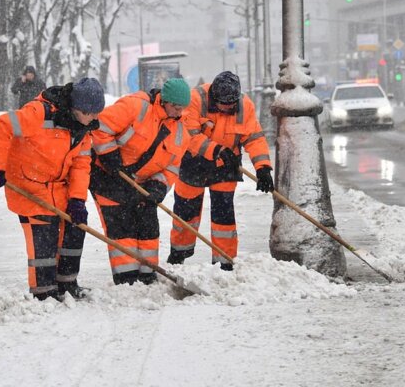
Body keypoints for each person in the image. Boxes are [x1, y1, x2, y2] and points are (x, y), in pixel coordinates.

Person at [0, 77, 104, 301]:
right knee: (44, 235)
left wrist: (77, 200)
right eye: (91, 113)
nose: (95, 118)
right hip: (28, 187)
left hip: (58, 187)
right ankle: (44, 291)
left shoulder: (85, 129)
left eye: (97, 113)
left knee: (76, 227)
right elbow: (2, 125)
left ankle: (66, 283)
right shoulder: (39, 113)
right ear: (76, 107)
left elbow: (80, 165)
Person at [89, 78, 191, 286]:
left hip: (141, 183)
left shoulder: (181, 132)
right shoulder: (135, 106)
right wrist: (110, 157)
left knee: (148, 226)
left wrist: (159, 186)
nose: (178, 113)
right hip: (107, 176)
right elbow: (99, 127)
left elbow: (172, 167)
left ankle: (147, 275)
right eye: (176, 107)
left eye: (183, 108)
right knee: (122, 227)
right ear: (164, 100)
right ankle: (126, 280)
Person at [167, 71, 273, 271]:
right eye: (222, 104)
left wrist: (263, 168)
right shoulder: (195, 99)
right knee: (185, 212)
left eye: (230, 104)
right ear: (214, 96)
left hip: (225, 165)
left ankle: (224, 260)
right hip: (192, 162)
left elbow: (254, 138)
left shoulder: (245, 106)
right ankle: (178, 255)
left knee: (223, 215)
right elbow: (189, 134)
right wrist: (216, 150)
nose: (226, 108)